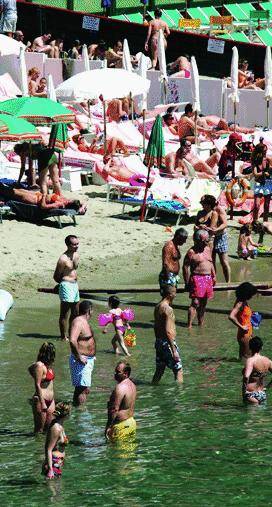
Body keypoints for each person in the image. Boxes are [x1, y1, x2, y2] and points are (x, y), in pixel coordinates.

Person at [183, 229, 216, 328]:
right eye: (205, 241)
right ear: (199, 240)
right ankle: (189, 326)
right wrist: (187, 281)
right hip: (197, 278)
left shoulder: (208, 248)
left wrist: (214, 275)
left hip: (208, 278)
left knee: (204, 303)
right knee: (195, 303)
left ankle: (200, 324)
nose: (207, 242)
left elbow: (210, 262)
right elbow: (185, 267)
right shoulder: (191, 252)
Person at [152, 286, 183, 384]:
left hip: (159, 342)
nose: (175, 295)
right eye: (175, 293)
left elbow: (156, 327)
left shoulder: (157, 307)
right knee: (178, 370)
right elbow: (168, 331)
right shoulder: (168, 309)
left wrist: (158, 342)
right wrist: (174, 350)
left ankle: (153, 389)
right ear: (170, 295)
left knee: (159, 370)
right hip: (168, 343)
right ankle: (180, 395)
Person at [69, 300, 96, 406]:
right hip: (81, 361)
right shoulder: (79, 322)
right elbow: (72, 339)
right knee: (81, 389)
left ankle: (79, 411)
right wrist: (78, 356)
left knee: (85, 389)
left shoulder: (84, 321)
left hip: (86, 360)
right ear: (89, 310)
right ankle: (80, 415)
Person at [54, 235, 80, 341]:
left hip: (75, 285)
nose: (77, 246)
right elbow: (56, 276)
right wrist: (63, 285)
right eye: (74, 244)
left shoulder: (76, 255)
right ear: (68, 245)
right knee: (65, 313)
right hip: (66, 285)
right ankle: (63, 337)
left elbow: (74, 269)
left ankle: (72, 333)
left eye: (77, 243)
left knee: (76, 312)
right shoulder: (62, 259)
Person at [0, 182, 87, 213]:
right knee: (15, 189)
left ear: (69, 203)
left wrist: (45, 195)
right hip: (36, 195)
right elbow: (83, 202)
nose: (70, 199)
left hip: (35, 200)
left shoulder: (59, 204)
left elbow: (43, 206)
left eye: (70, 200)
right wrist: (81, 208)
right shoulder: (65, 200)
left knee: (12, 192)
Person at [105, 361, 137, 442]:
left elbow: (114, 409)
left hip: (121, 425)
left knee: (117, 452)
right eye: (115, 371)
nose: (115, 374)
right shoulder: (132, 385)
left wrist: (108, 426)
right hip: (131, 422)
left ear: (126, 373)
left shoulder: (120, 387)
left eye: (118, 372)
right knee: (129, 452)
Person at [28, 342, 56, 434]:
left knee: (49, 429)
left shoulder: (48, 366)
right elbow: (37, 384)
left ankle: (46, 447)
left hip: (51, 401)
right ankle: (36, 448)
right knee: (39, 431)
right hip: (41, 400)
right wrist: (43, 402)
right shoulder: (39, 366)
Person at [229, 282, 257, 361]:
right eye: (251, 294)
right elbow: (231, 316)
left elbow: (243, 316)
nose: (251, 296)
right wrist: (241, 327)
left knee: (242, 360)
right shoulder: (240, 303)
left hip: (248, 334)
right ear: (246, 293)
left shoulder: (244, 302)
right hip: (243, 335)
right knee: (247, 360)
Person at [42, 402, 71, 479]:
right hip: (53, 465)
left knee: (57, 489)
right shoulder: (56, 428)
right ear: (67, 415)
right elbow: (48, 449)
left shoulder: (60, 425)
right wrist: (50, 469)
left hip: (58, 463)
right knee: (53, 488)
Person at [243, 337, 272, 404]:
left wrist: (245, 392)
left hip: (251, 394)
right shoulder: (267, 360)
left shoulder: (250, 361)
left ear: (250, 348)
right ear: (261, 348)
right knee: (259, 414)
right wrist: (268, 387)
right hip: (262, 394)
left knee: (250, 413)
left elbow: (246, 377)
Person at [159, 227, 188, 295]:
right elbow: (165, 263)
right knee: (169, 295)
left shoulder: (176, 246)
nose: (185, 242)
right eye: (183, 240)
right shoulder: (169, 246)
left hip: (173, 275)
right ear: (178, 237)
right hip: (168, 275)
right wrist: (168, 278)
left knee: (170, 296)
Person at [252, 141, 272, 224]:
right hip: (258, 183)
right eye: (264, 151)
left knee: (266, 205)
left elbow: (270, 170)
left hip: (267, 182)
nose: (265, 152)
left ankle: (265, 223)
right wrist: (264, 173)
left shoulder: (268, 159)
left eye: (266, 151)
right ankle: (255, 222)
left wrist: (269, 170)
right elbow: (255, 174)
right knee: (256, 205)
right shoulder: (254, 160)